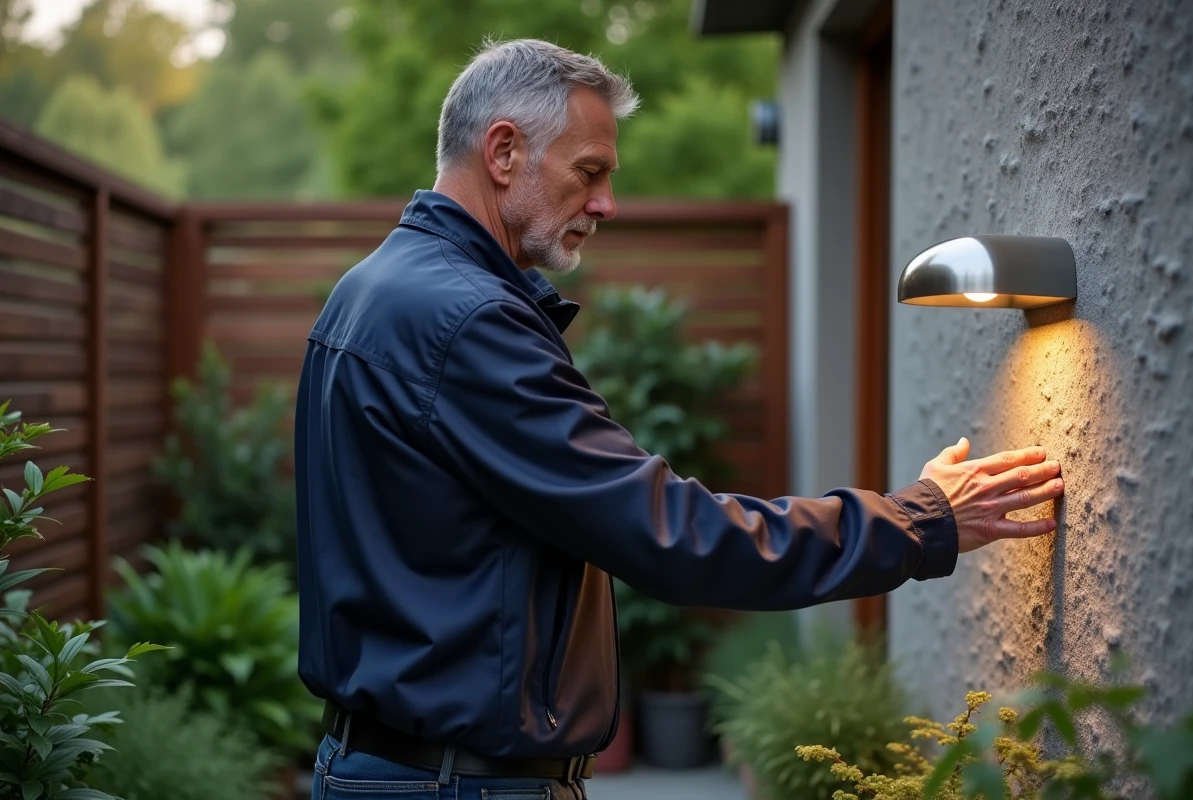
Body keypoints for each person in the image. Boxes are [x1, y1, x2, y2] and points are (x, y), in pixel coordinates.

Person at [294, 38, 1064, 800]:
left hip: (383, 768)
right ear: (503, 152)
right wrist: (914, 521)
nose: (605, 203)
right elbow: (667, 531)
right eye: (588, 172)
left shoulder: (369, 293)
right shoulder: (467, 323)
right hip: (454, 787)